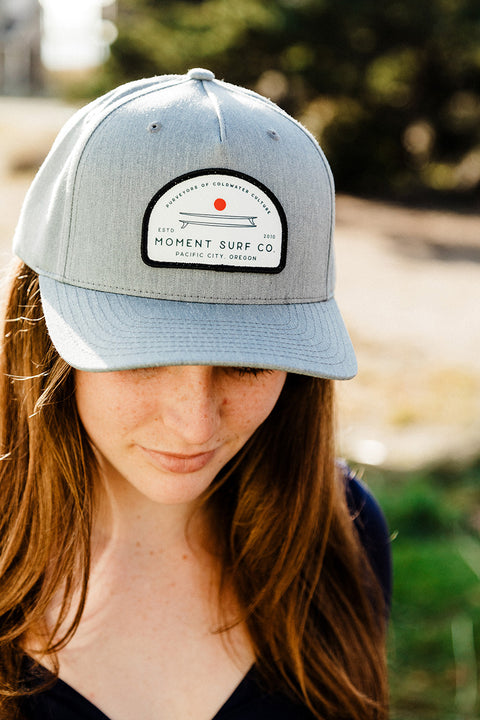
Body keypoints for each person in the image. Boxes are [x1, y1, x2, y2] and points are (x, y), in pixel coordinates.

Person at [0, 68, 391, 720]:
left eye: (248, 366)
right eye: (141, 358)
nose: (194, 426)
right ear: (43, 334)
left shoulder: (339, 533)